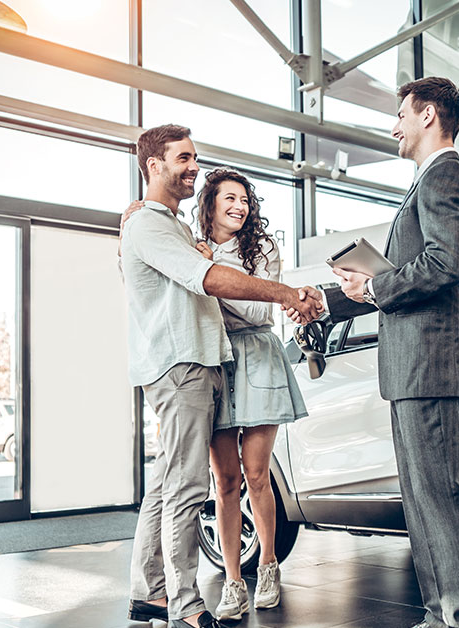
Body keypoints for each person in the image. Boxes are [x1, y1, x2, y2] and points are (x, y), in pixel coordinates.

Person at [288, 77, 459, 628]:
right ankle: (442, 615)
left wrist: (376, 287)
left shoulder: (445, 177)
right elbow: (401, 275)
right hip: (413, 369)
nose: (395, 126)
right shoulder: (430, 181)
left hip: (430, 366)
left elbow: (444, 265)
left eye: (402, 115)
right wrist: (330, 300)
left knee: (440, 497)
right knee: (423, 502)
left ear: (429, 115)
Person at [120, 124, 321, 628]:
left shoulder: (169, 225)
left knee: (169, 485)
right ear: (154, 165)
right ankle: (186, 605)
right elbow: (205, 278)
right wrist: (281, 293)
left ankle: (149, 592)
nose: (193, 166)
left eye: (195, 158)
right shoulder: (149, 225)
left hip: (201, 363)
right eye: (183, 157)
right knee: (190, 488)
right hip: (182, 367)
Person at [191, 168, 307, 620]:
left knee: (258, 475)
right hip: (215, 360)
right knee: (224, 482)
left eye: (244, 199)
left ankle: (269, 565)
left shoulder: (263, 248)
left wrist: (214, 274)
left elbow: (259, 308)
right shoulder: (194, 248)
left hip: (258, 356)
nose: (239, 206)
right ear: (211, 205)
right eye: (229, 199)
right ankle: (234, 582)